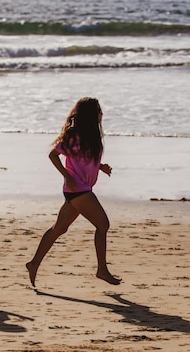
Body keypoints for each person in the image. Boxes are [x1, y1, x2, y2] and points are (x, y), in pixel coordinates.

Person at [26, 97, 121, 287]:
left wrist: (100, 167)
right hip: (78, 189)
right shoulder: (74, 136)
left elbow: (83, 159)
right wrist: (67, 176)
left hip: (78, 190)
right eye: (99, 110)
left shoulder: (90, 137)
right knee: (103, 225)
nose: (102, 114)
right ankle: (102, 270)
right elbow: (53, 155)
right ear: (91, 115)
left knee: (59, 229)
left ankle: (34, 263)